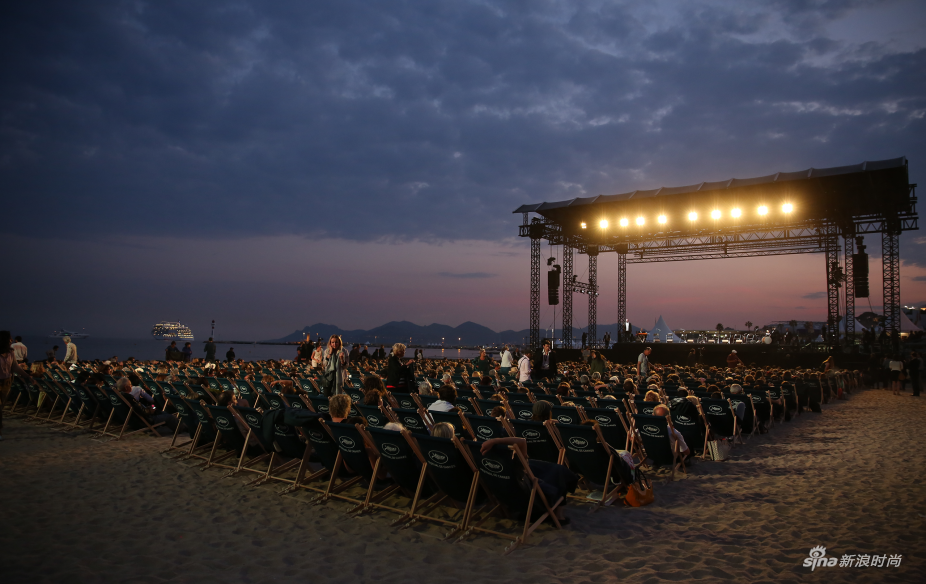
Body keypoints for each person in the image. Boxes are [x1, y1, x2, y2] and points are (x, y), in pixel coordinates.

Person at [479, 436, 577, 524]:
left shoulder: (482, 465)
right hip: (532, 502)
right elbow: (521, 441)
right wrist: (494, 441)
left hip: (506, 499)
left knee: (550, 472)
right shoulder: (516, 467)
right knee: (561, 475)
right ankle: (559, 516)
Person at [1, 331, 40, 440]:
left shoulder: (11, 352)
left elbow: (15, 367)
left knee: (1, 406)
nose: (11, 340)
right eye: (10, 338)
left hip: (7, 381)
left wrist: (28, 376)